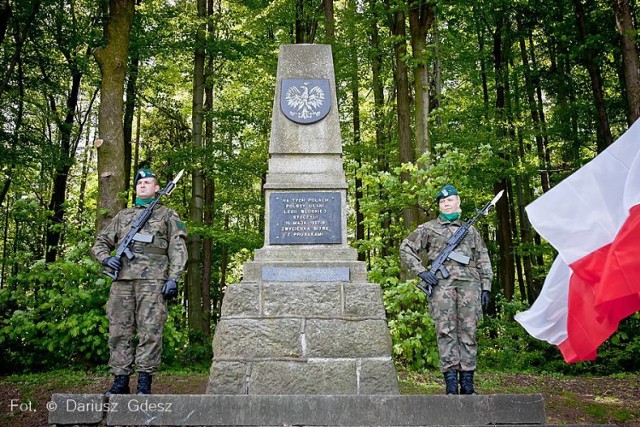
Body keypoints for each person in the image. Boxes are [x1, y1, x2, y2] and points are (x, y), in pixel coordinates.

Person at [92, 168, 188, 395]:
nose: (143, 186)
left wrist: (174, 277)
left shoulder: (168, 215)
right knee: (118, 331)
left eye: (148, 182)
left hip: (153, 281)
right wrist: (106, 259)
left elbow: (177, 248)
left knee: (150, 330)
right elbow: (100, 242)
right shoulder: (123, 216)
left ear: (157, 188)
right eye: (140, 183)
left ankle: (144, 382)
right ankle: (120, 381)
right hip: (122, 281)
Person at [400, 184, 493, 395]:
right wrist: (421, 271)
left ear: (458, 202)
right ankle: (451, 383)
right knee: (446, 331)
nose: (446, 203)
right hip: (442, 287)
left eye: (450, 200)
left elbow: (483, 259)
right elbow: (406, 248)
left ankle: (467, 383)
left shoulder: (471, 230)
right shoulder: (428, 228)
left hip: (470, 286)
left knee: (469, 332)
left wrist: (486, 287)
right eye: (442, 201)